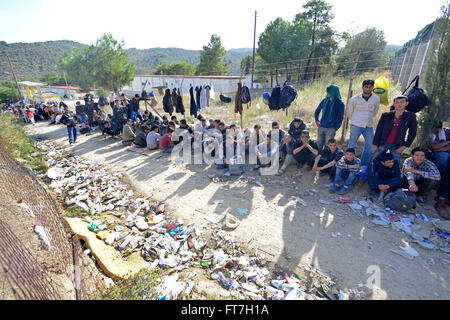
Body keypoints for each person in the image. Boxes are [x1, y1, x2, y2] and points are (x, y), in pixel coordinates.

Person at [372, 95, 417, 164]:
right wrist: (375, 144)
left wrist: (404, 147)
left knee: (395, 163)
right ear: (394, 104)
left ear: (406, 103)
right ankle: (371, 174)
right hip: (383, 142)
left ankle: (396, 175)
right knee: (374, 160)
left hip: (397, 145)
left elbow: (412, 134)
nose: (399, 104)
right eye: (397, 102)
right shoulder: (386, 115)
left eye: (402, 102)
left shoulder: (410, 116)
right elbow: (378, 130)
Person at [347, 79, 380, 166]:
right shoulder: (354, 99)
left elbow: (375, 111)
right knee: (352, 146)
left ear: (373, 87)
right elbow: (349, 112)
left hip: (369, 125)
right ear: (362, 87)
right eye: (366, 87)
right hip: (356, 125)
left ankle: (363, 166)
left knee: (370, 146)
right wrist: (355, 120)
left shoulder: (376, 99)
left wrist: (367, 119)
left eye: (370, 87)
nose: (368, 89)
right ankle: (350, 164)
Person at [314, 85, 345, 151]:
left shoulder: (340, 103)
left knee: (328, 146)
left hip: (331, 128)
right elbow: (317, 111)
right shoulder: (325, 101)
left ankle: (326, 160)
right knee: (319, 145)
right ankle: (317, 159)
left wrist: (335, 128)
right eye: (327, 92)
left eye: (329, 92)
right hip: (321, 126)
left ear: (334, 92)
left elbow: (340, 117)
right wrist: (317, 120)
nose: (327, 93)